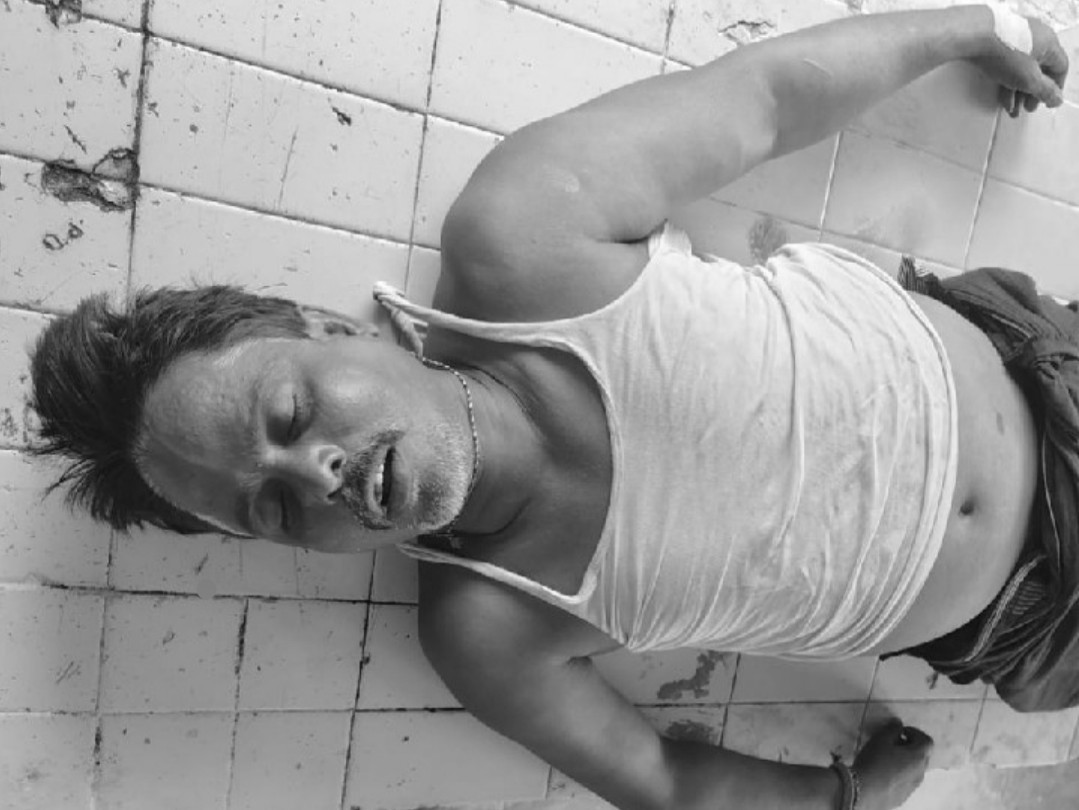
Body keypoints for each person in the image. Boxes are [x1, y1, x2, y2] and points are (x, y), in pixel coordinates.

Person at [26, 6, 1074, 810]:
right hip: (1036, 624)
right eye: (273, 509)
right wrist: (844, 799)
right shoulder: (483, 632)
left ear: (327, 327)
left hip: (1042, 378)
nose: (315, 475)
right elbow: (660, 779)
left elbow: (762, 99)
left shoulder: (522, 234)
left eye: (291, 415)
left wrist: (973, 28)